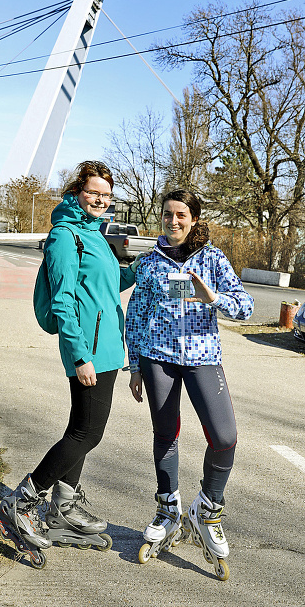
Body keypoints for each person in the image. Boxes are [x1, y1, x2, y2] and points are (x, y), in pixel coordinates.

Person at [0, 160, 136, 553]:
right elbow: (63, 301)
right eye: (94, 192)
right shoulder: (65, 236)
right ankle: (22, 501)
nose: (100, 200)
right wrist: (79, 355)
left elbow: (108, 286)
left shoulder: (96, 234)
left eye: (106, 195)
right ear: (78, 192)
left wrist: (139, 271)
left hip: (109, 348)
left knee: (80, 429)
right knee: (87, 433)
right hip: (87, 350)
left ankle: (64, 505)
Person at [126, 189, 254, 580]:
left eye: (181, 214)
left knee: (225, 436)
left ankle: (206, 510)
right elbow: (135, 313)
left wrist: (212, 296)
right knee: (165, 434)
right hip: (157, 359)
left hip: (203, 359)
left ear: (194, 218)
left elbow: (246, 307)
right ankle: (168, 509)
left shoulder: (213, 259)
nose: (173, 221)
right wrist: (134, 365)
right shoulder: (149, 263)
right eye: (167, 214)